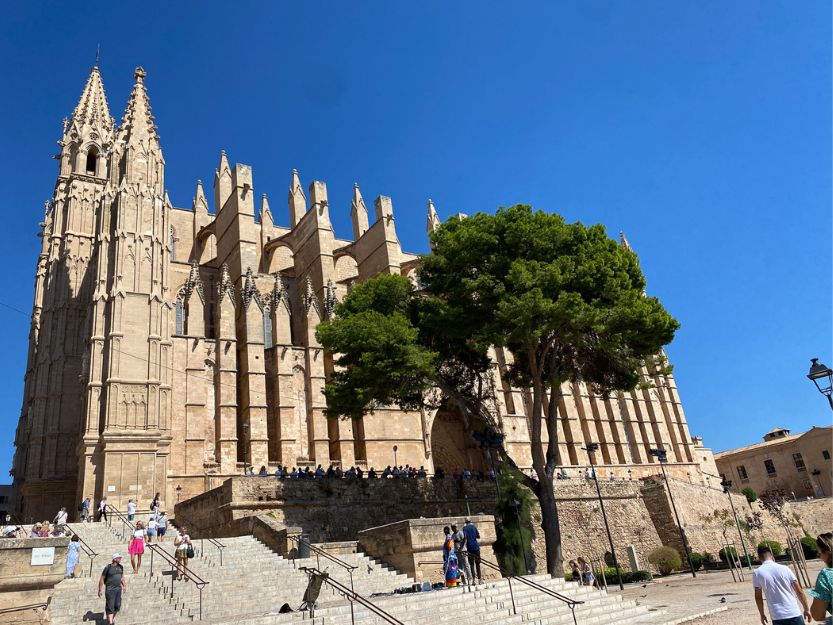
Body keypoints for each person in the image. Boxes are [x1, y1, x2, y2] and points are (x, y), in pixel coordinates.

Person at [752, 543, 810, 625]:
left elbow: (758, 597)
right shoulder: (785, 569)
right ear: (771, 556)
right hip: (793, 612)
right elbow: (799, 591)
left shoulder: (757, 573)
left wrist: (762, 615)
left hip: (777, 615)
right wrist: (806, 609)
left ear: (759, 557)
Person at [809, 532, 833, 623]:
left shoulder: (826, 576)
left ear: (827, 553)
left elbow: (818, 615)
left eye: (819, 554)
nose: (820, 557)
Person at [98, 553, 126, 624]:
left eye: (120, 558)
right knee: (110, 607)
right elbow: (102, 579)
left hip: (118, 589)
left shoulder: (121, 567)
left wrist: (124, 585)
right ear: (114, 559)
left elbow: (122, 577)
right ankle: (110, 622)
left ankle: (110, 620)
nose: (120, 559)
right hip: (110, 590)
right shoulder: (108, 567)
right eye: (119, 558)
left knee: (117, 606)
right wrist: (100, 590)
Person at [452, 523, 473, 588]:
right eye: (453, 527)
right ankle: (463, 580)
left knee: (466, 564)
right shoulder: (453, 535)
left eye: (454, 527)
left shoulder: (460, 533)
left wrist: (461, 548)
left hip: (463, 551)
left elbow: (464, 539)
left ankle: (470, 578)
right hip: (457, 553)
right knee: (460, 567)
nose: (454, 529)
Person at [462, 517, 482, 584]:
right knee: (478, 564)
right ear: (470, 521)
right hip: (476, 547)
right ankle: (480, 579)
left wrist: (461, 546)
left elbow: (464, 537)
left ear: (465, 522)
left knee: (471, 565)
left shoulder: (464, 528)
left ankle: (474, 580)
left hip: (470, 548)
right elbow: (478, 536)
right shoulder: (474, 527)